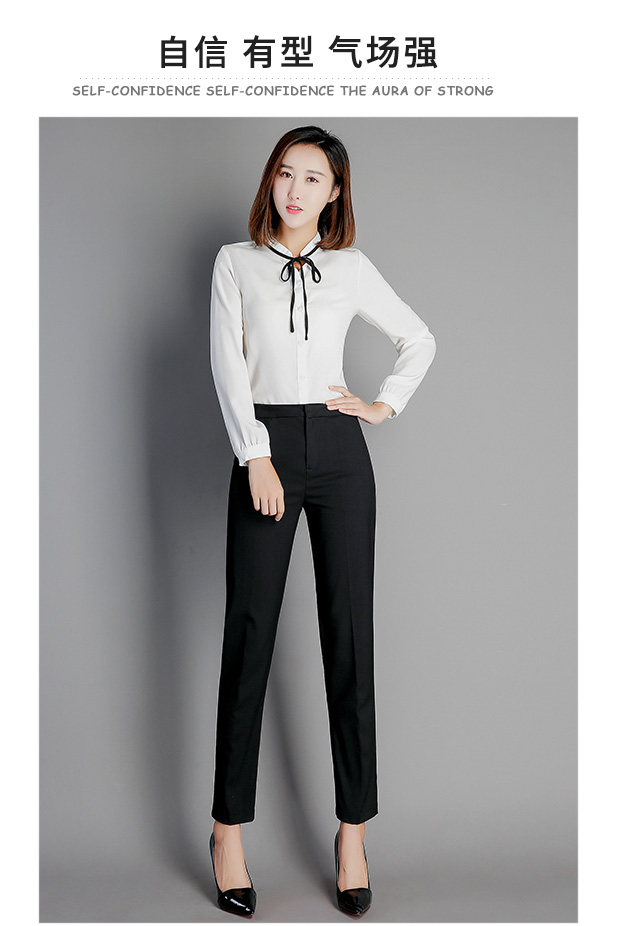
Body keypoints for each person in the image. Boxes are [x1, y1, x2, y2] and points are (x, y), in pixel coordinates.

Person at [208, 124, 437, 917]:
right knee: (249, 635)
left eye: (313, 177)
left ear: (335, 192)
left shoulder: (350, 268)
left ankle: (353, 833)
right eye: (285, 172)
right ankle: (227, 830)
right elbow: (227, 363)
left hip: (340, 452)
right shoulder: (235, 263)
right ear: (270, 181)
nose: (296, 189)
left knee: (350, 636)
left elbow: (418, 338)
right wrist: (254, 454)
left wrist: (381, 405)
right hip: (266, 445)